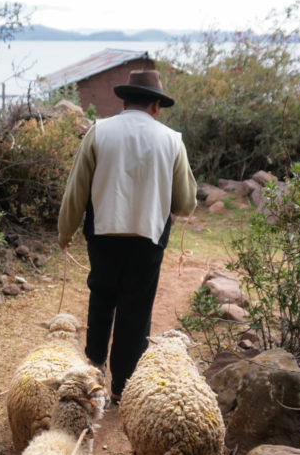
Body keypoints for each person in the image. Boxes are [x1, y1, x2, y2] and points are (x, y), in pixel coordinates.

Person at [57, 69, 197, 404]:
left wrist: (66, 231)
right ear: (156, 106)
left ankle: (93, 370)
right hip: (148, 238)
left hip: (103, 233)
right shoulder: (171, 140)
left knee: (102, 296)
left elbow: (76, 190)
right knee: (136, 309)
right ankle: (122, 385)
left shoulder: (99, 132)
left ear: (124, 100)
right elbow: (185, 202)